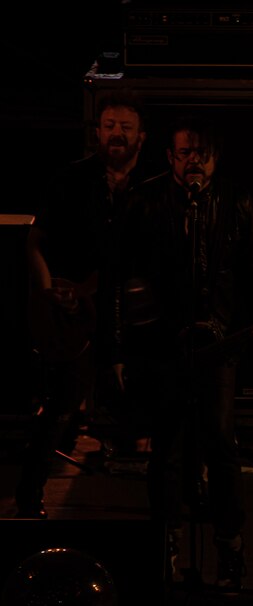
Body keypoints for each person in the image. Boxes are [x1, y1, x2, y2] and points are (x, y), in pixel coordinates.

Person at [123, 117, 253, 592]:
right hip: (163, 344)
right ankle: (166, 543)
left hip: (218, 342)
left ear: (216, 158)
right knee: (166, 449)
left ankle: (230, 545)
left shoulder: (235, 200)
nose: (196, 161)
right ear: (170, 157)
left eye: (203, 153)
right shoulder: (146, 200)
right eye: (187, 152)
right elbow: (126, 274)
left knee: (220, 441)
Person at [14, 92, 155, 519]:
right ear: (97, 132)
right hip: (79, 315)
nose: (116, 134)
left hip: (131, 314)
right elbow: (36, 240)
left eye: (125, 127)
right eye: (109, 126)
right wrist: (48, 291)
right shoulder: (72, 179)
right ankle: (29, 496)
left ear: (141, 137)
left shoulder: (153, 188)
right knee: (60, 406)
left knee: (158, 400)